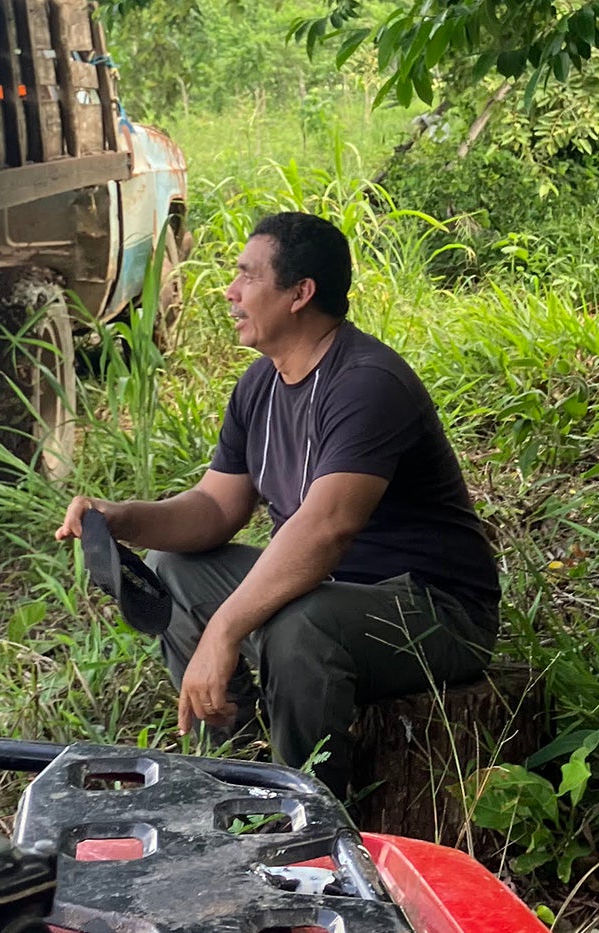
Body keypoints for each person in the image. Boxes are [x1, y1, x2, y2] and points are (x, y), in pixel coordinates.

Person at [55, 211, 500, 795]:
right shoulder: (259, 386)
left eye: (247, 276)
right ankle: (231, 781)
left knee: (299, 626)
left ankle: (308, 820)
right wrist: (123, 517)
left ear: (300, 293)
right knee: (174, 570)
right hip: (333, 592)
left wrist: (223, 633)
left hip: (436, 610)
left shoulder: (367, 382)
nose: (230, 291)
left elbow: (326, 530)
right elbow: (215, 509)